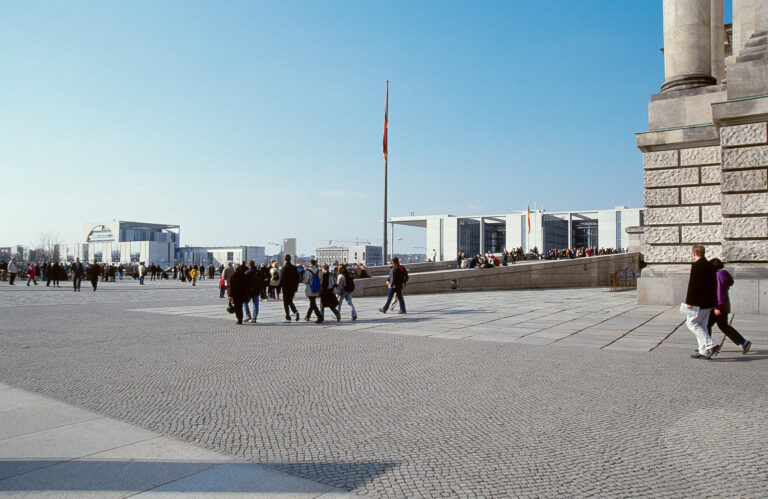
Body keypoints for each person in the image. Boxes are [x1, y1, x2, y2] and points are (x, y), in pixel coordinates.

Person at [707, 258, 752, 354]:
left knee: (707, 325)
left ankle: (707, 346)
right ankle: (744, 342)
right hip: (724, 305)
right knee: (723, 326)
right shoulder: (723, 273)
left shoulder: (718, 274)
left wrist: (717, 307)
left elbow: (719, 292)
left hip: (719, 306)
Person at [684, 244, 719, 360]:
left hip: (698, 302)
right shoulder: (710, 266)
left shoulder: (696, 266)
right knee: (703, 325)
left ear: (694, 253)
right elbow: (714, 285)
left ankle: (710, 344)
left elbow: (693, 285)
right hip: (709, 301)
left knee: (691, 323)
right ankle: (704, 351)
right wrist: (715, 302)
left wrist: (689, 301)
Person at [280, 254, 301, 323]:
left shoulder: (284, 268)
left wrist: (279, 288)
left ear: (285, 259)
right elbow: (298, 279)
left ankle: (288, 317)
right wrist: (296, 287)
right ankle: (295, 312)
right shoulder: (294, 268)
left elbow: (281, 279)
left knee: (286, 302)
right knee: (290, 301)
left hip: (286, 288)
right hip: (292, 288)